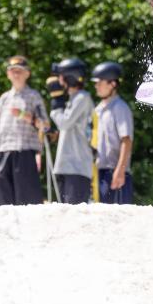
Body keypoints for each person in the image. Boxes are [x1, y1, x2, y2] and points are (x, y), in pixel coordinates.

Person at [0, 56, 46, 206]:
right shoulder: (4, 98)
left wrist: (24, 115)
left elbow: (44, 125)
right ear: (8, 74)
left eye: (19, 71)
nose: (16, 74)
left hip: (24, 152)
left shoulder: (34, 96)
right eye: (12, 71)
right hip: (2, 151)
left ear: (27, 73)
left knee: (26, 201)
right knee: (2, 201)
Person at [49, 57, 94, 204]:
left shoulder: (82, 98)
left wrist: (56, 105)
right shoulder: (73, 99)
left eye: (61, 76)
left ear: (70, 78)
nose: (59, 80)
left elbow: (64, 123)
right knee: (64, 212)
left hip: (77, 167)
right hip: (65, 166)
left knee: (75, 212)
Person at [91, 61, 135, 205]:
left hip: (116, 173)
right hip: (100, 171)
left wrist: (120, 171)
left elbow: (126, 140)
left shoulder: (120, 108)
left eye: (99, 82)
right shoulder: (98, 109)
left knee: (119, 216)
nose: (96, 86)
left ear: (112, 84)